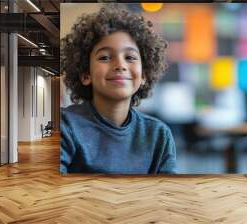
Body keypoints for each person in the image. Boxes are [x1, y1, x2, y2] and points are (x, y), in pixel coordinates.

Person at [60, 6, 176, 174]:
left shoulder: (158, 134)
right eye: (105, 57)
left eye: (130, 57)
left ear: (143, 75)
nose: (120, 65)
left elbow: (167, 193)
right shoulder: (66, 125)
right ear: (86, 74)